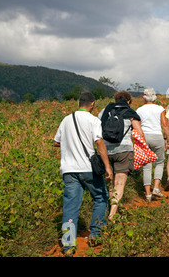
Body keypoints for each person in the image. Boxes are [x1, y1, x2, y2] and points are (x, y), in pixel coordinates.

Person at [53, 92, 113, 257]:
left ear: (79, 103)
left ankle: (68, 245)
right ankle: (95, 235)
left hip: (69, 170)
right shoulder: (93, 120)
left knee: (71, 206)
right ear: (92, 104)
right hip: (88, 168)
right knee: (101, 198)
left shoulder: (66, 120)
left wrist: (70, 144)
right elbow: (99, 142)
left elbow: (56, 142)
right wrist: (107, 167)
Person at [98, 91, 144, 221]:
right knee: (119, 183)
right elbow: (139, 133)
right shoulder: (131, 113)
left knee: (112, 183)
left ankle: (114, 210)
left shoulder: (104, 111)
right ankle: (112, 215)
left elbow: (98, 129)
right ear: (128, 101)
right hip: (124, 151)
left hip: (106, 151)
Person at [136, 87, 169, 202]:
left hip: (145, 137)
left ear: (144, 97)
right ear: (154, 97)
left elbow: (137, 125)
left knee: (146, 165)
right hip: (157, 136)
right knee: (159, 162)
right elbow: (164, 125)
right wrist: (168, 139)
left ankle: (147, 194)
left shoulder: (139, 110)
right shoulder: (160, 108)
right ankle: (156, 188)